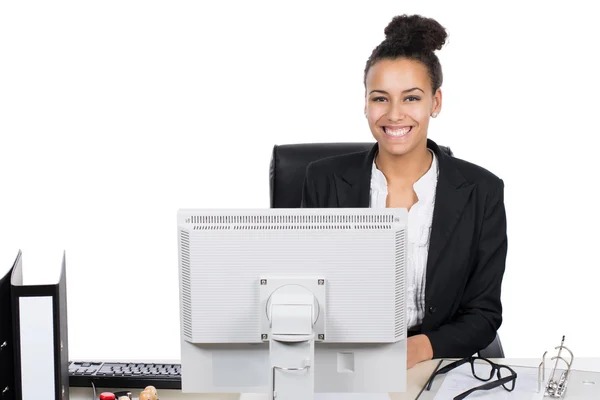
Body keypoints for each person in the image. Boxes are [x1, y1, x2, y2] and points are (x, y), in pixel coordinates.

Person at [301, 14, 508, 369]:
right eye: (381, 99)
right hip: (342, 359)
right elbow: (301, 289)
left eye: (411, 98)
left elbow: (483, 313)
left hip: (434, 360)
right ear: (365, 103)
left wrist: (420, 349)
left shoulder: (482, 191)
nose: (394, 115)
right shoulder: (323, 180)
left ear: (435, 102)